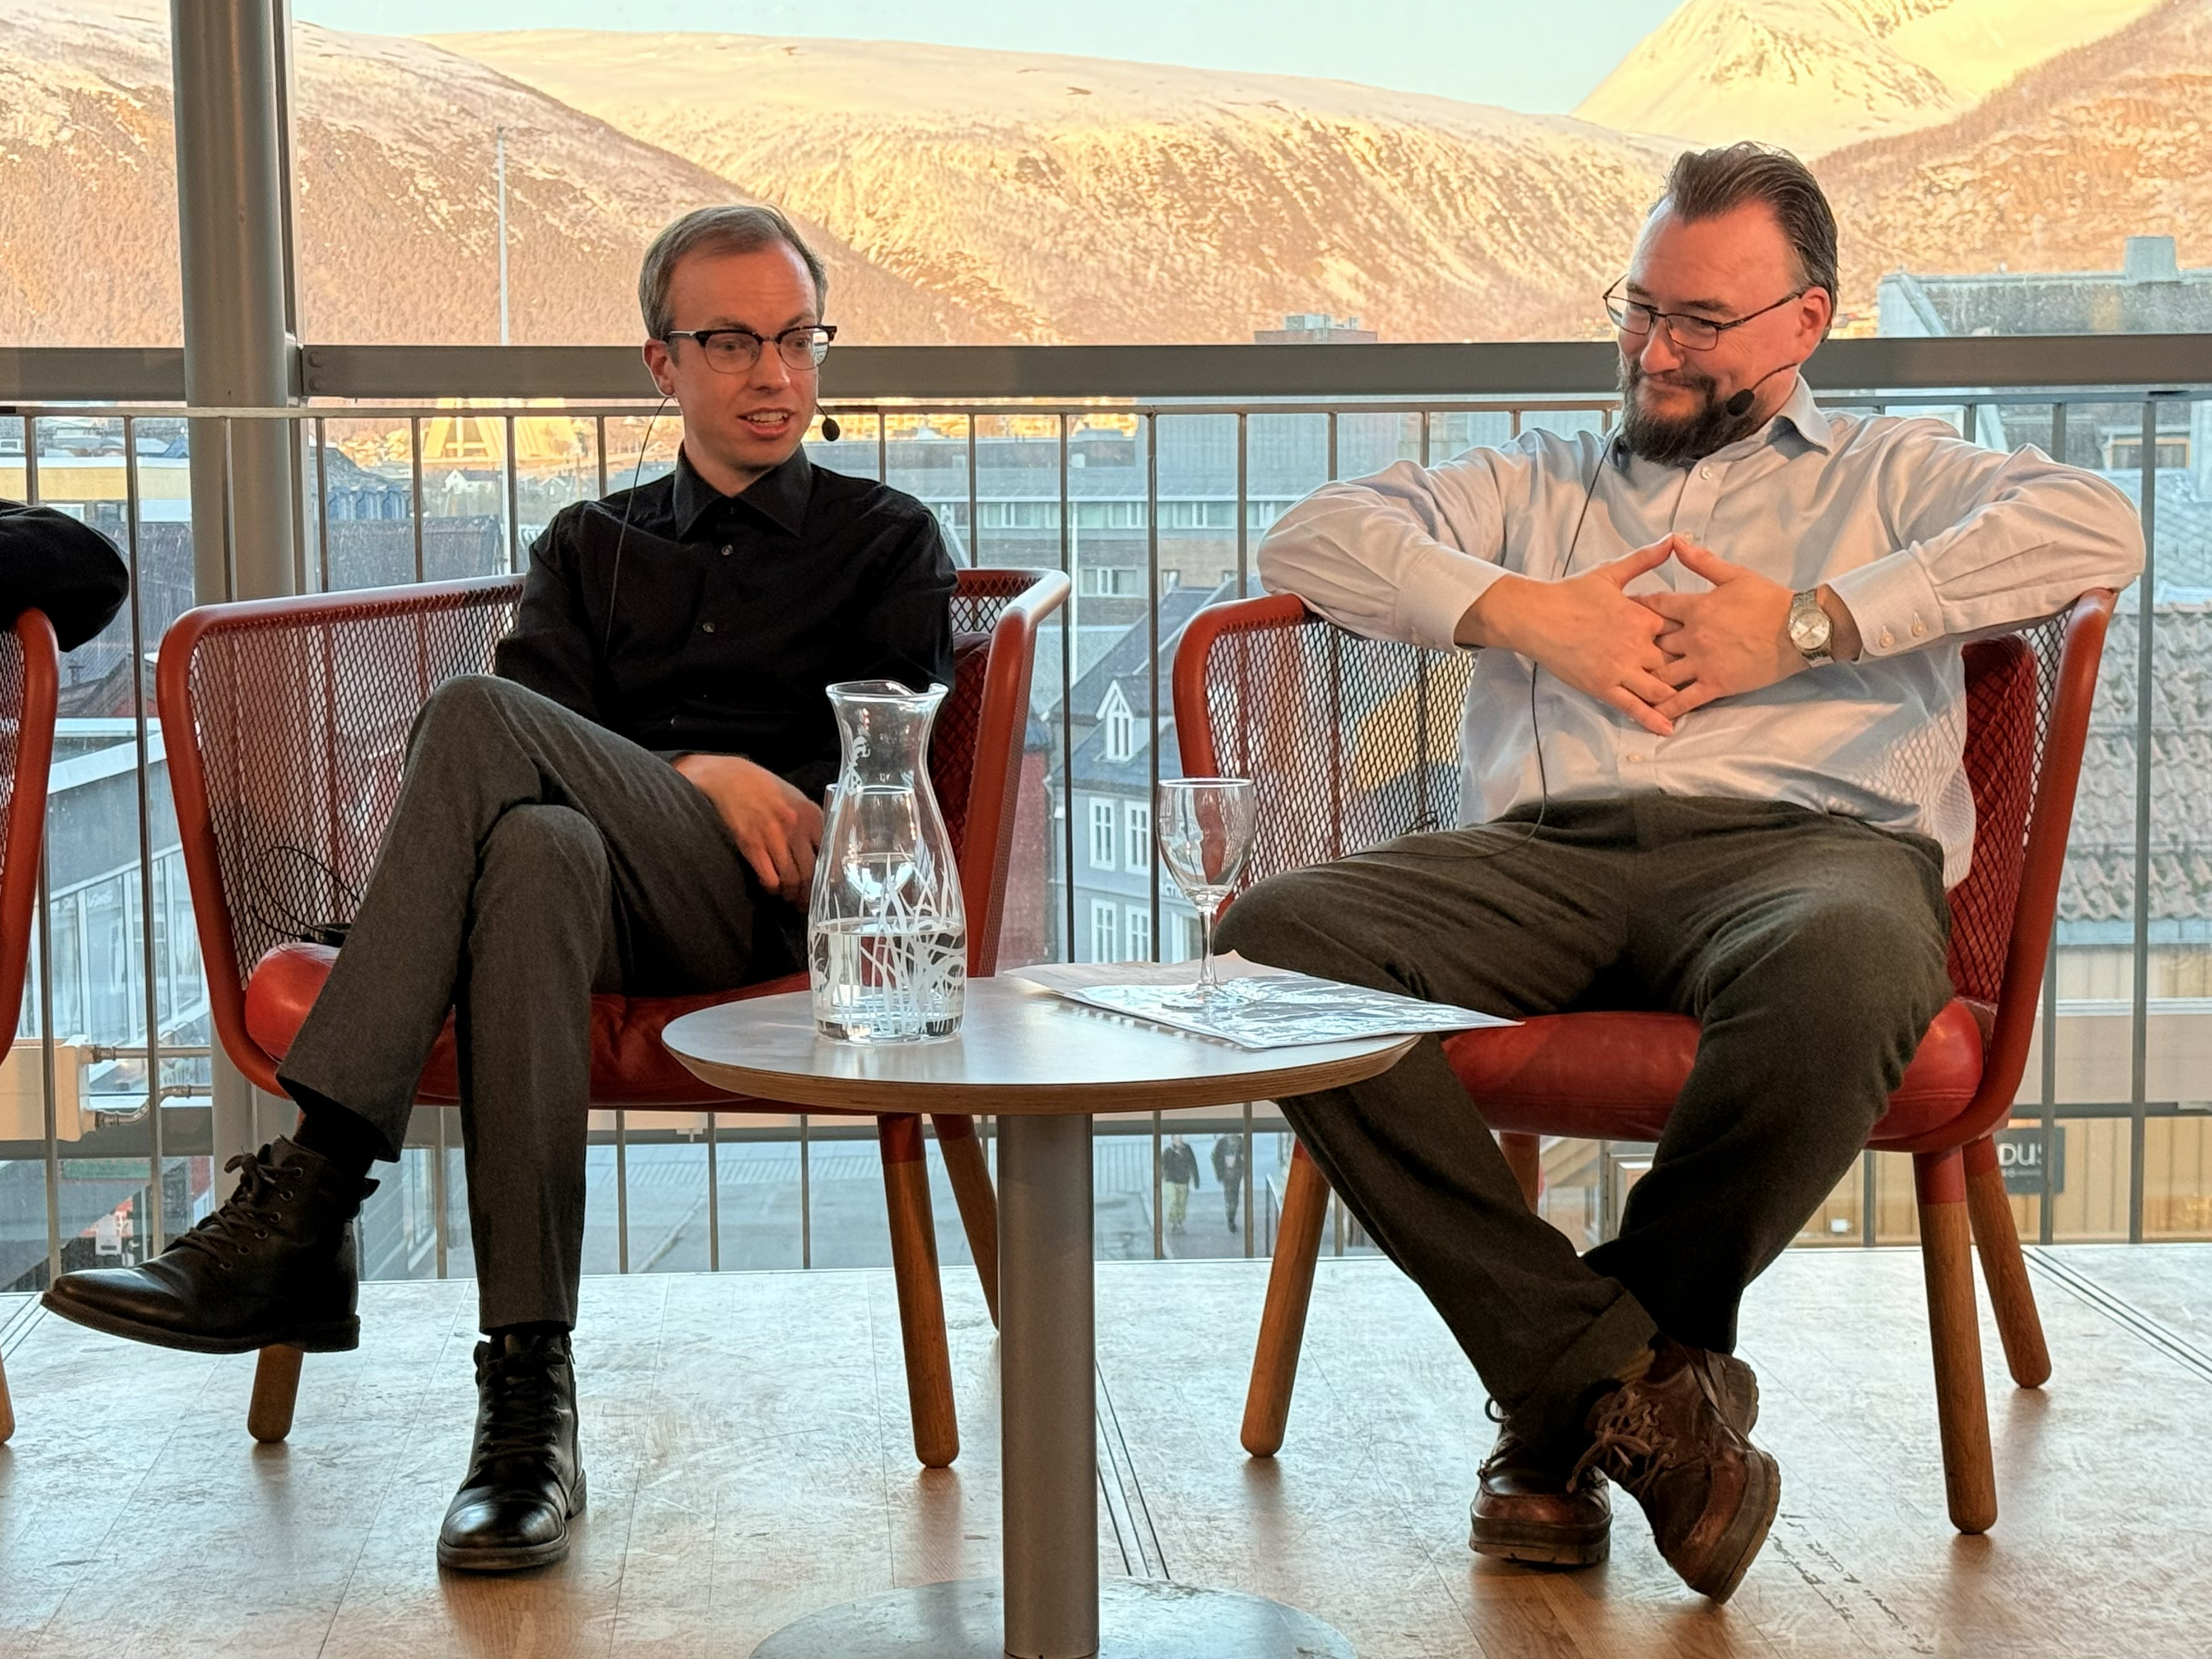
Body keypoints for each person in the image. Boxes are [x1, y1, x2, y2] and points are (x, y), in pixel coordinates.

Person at [1213, 143, 2142, 1602]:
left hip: (1805, 855)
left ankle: (1558, 1412)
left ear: (1803, 321)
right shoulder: (1532, 479)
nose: (1652, 350)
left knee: (1851, 961)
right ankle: (1639, 1388)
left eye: (1698, 322)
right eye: (1638, 308)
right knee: (1272, 939)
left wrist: (1814, 623)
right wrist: (1522, 612)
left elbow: (2096, 525)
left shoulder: (1893, 472)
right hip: (1542, 860)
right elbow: (1310, 537)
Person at [41, 204, 956, 1574]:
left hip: (772, 910)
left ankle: (311, 1194)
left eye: (797, 339)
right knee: (531, 851)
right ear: (662, 362)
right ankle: (526, 1416)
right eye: (732, 343)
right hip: (588, 898)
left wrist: (723, 792)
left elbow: (876, 787)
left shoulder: (884, 537)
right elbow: (525, 767)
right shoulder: (590, 542)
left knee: (475, 715)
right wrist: (698, 769)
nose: (775, 374)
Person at [1160, 1134, 1200, 1233]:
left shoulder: (1187, 1150)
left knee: (1182, 1202)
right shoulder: (1168, 1151)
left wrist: (1196, 1180)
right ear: (1173, 1140)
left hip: (1183, 1180)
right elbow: (1163, 1165)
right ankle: (1174, 1222)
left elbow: (1193, 1164)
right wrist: (1160, 1178)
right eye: (1176, 1139)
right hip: (1171, 1180)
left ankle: (1179, 1222)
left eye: (1180, 1139)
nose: (1178, 1141)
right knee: (1174, 1201)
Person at [1212, 1132, 1244, 1233]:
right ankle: (1231, 1219)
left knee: (1235, 1197)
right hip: (1227, 1176)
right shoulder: (1221, 1143)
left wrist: (1241, 1169)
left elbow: (1245, 1156)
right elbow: (1215, 1157)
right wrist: (1220, 1172)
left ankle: (1231, 1217)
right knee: (1230, 1198)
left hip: (1236, 1175)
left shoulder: (1240, 1141)